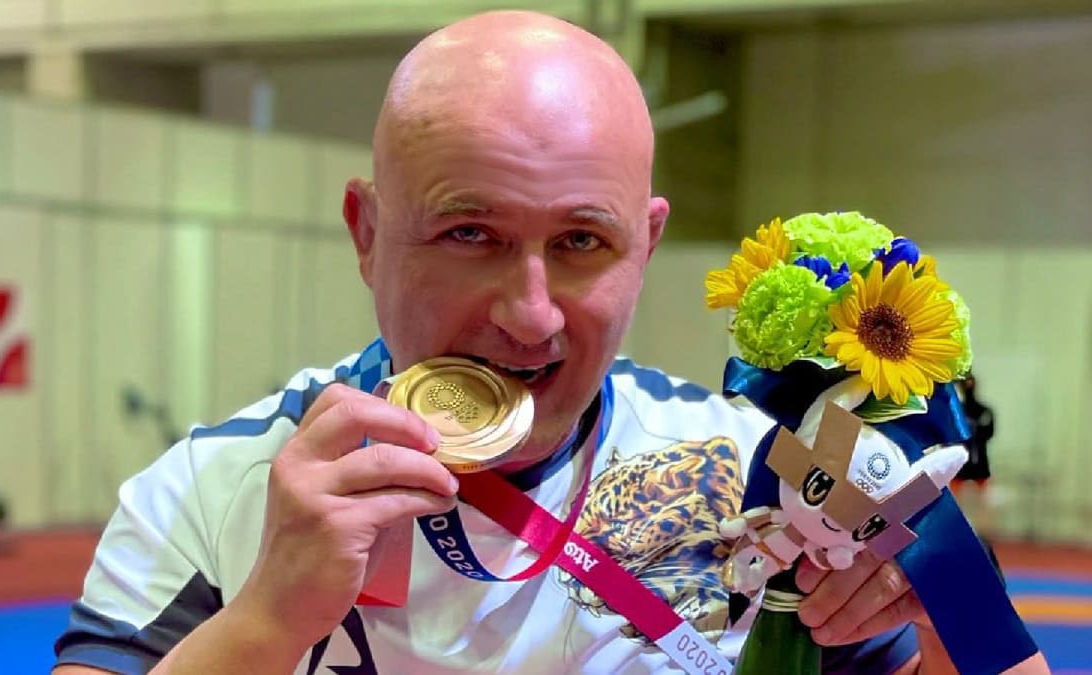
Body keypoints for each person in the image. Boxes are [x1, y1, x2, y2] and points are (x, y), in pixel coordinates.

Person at [53, 11, 1048, 675]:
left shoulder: (762, 483)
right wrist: (263, 626)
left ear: (644, 244)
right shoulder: (210, 491)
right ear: (367, 233)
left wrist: (955, 602)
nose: (529, 313)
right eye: (468, 232)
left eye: (581, 242)